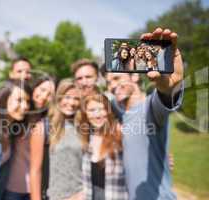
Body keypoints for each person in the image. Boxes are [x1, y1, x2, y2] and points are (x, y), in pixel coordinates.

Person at [110, 27, 184, 200]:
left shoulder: (149, 107)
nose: (112, 86)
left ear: (134, 76)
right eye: (108, 82)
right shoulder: (120, 110)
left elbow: (164, 99)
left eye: (116, 78)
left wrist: (168, 87)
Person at [30, 79, 83, 200]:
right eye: (67, 97)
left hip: (81, 195)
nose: (72, 102)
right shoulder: (43, 127)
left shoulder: (83, 127)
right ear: (58, 99)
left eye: (76, 99)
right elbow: (35, 172)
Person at [76, 93, 129, 200]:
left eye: (102, 109)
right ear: (85, 113)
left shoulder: (120, 134)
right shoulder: (85, 138)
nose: (97, 115)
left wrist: (162, 160)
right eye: (92, 110)